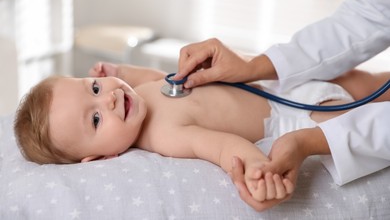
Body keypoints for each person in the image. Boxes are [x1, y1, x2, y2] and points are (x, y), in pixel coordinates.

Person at [13, 61, 387, 210]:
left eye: (94, 87)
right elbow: (220, 147)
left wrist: (122, 69)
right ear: (98, 159)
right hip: (297, 117)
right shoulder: (162, 136)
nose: (109, 98)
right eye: (95, 120)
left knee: (361, 80)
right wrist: (257, 167)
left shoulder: (134, 96)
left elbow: (159, 78)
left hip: (276, 85)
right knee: (364, 114)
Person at [173, 0, 390, 212]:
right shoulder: (161, 130)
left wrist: (311, 142)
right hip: (287, 100)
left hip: (301, 108)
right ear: (112, 156)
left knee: (359, 84)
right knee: (364, 87)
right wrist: (253, 66)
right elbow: (371, 15)